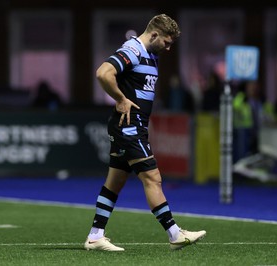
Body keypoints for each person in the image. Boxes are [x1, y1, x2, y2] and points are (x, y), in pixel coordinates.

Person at [84, 14, 206, 252]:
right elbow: (103, 73)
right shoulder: (134, 49)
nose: (169, 48)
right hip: (128, 127)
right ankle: (174, 234)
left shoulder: (151, 55)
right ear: (154, 35)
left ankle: (95, 235)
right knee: (153, 178)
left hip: (131, 126)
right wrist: (120, 99)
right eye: (167, 42)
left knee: (115, 181)